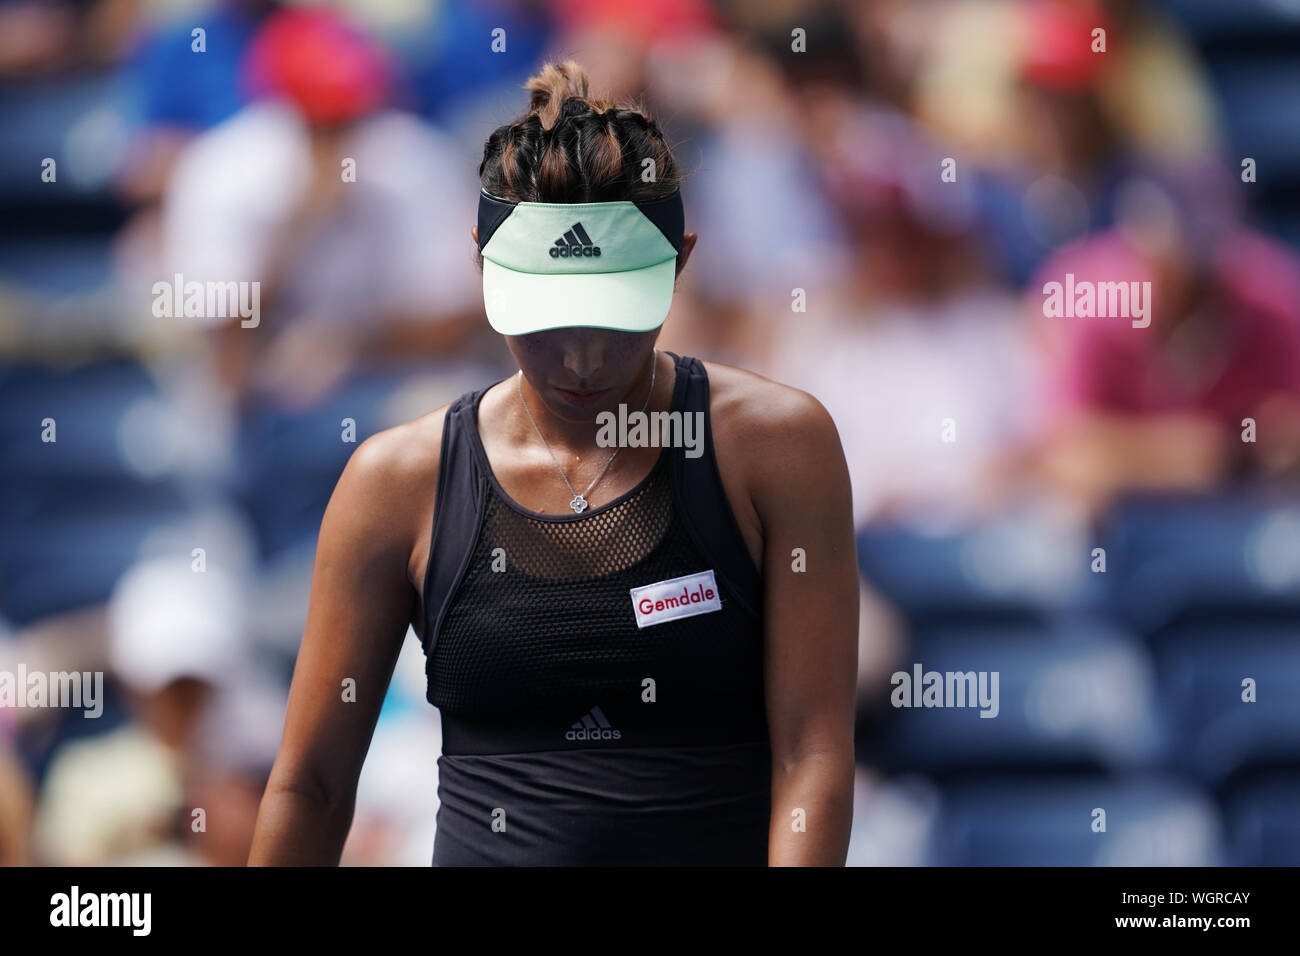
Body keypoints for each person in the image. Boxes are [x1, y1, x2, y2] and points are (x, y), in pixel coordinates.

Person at [249, 60, 858, 866]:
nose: (579, 361)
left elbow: (812, 757)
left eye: (611, 322)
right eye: (542, 320)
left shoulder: (780, 446)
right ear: (480, 263)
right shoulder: (394, 483)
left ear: (682, 260)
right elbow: (312, 786)